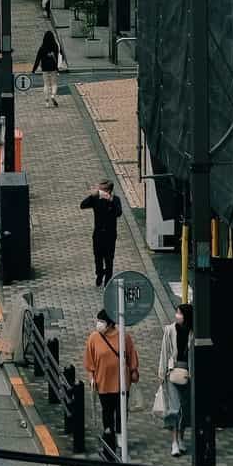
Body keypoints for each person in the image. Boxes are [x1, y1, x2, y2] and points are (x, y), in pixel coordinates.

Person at [83, 310, 139, 449]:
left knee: (121, 410)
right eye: (98, 321)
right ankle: (108, 430)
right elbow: (90, 361)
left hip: (121, 382)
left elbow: (131, 355)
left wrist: (134, 371)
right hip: (103, 381)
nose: (99, 324)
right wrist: (91, 378)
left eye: (102, 322)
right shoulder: (93, 338)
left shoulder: (123, 337)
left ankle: (120, 434)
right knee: (106, 410)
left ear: (110, 324)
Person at [155, 302, 193, 458]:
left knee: (185, 408)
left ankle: (182, 438)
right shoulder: (170, 330)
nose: (177, 315)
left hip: (188, 374)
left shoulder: (193, 333)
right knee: (174, 409)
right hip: (172, 372)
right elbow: (164, 352)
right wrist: (161, 373)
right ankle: (174, 442)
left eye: (180, 313)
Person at [80, 177, 121, 289]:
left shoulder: (115, 200)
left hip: (110, 235)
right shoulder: (96, 199)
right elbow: (82, 205)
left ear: (108, 191)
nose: (100, 192)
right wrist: (92, 195)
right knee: (97, 257)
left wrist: (111, 201)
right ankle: (99, 273)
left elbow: (118, 213)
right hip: (98, 233)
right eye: (99, 190)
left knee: (109, 258)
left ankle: (108, 279)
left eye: (102, 190)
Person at [31, 22, 63, 107]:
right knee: (54, 84)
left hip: (44, 67)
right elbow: (57, 57)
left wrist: (33, 70)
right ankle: (53, 95)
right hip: (53, 67)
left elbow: (37, 59)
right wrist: (57, 67)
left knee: (46, 84)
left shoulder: (42, 48)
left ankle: (46, 102)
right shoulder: (55, 46)